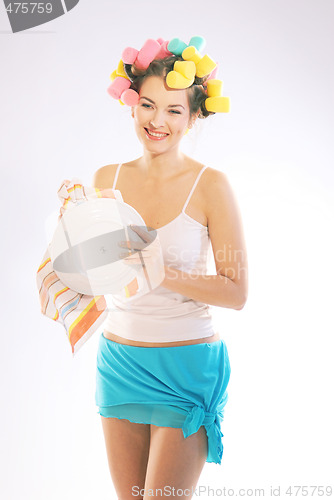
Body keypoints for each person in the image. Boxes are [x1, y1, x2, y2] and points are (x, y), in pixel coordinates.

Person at [93, 43, 248, 500]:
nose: (156, 121)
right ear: (132, 104)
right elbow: (104, 270)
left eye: (173, 110)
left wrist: (164, 273)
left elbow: (237, 291)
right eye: (147, 105)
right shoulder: (107, 179)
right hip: (119, 362)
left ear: (193, 117)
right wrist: (63, 274)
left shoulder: (212, 185)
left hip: (186, 368)